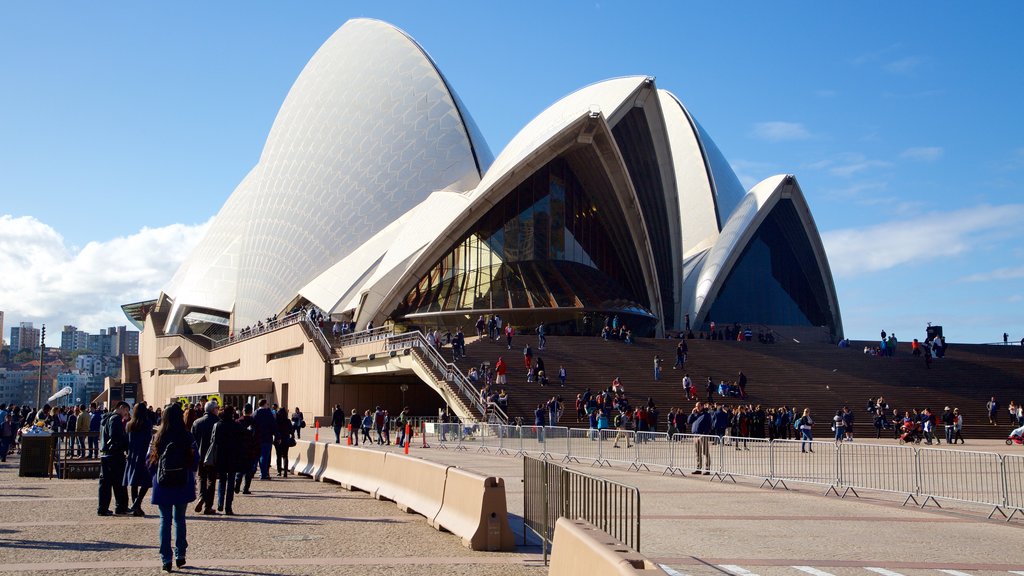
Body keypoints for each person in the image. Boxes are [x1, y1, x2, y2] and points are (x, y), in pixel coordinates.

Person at [148, 402, 198, 572]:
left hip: (163, 483)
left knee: (165, 520)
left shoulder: (158, 436)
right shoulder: (187, 436)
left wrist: (155, 475)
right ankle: (180, 554)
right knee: (180, 519)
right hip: (182, 481)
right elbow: (195, 460)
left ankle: (166, 558)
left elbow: (150, 461)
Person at [98, 401, 131, 516]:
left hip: (105, 454)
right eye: (126, 410)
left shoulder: (106, 418)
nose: (127, 413)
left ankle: (103, 507)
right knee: (119, 482)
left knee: (106, 483)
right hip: (114, 455)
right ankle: (120, 506)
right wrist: (124, 444)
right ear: (121, 408)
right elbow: (115, 437)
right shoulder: (116, 419)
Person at [124, 403, 154, 516]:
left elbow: (127, 441)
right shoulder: (147, 424)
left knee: (134, 481)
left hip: (132, 455)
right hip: (143, 454)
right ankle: (137, 503)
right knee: (146, 481)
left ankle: (136, 505)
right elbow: (148, 440)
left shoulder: (129, 425)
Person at [212, 406, 242, 514]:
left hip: (221, 456)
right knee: (230, 482)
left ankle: (220, 503)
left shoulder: (218, 425)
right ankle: (228, 507)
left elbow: (213, 441)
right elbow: (241, 442)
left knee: (222, 480)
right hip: (233, 457)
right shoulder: (236, 426)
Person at [191, 401, 219, 514]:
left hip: (200, 455)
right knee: (211, 480)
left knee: (201, 478)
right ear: (213, 410)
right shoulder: (217, 422)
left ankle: (201, 496)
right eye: (217, 408)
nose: (218, 409)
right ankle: (208, 506)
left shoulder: (197, 422)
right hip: (213, 455)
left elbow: (192, 440)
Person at [234, 404, 258, 495]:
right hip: (251, 449)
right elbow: (257, 436)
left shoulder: (238, 421)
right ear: (251, 411)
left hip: (240, 449)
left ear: (243, 411)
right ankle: (246, 488)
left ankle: (237, 485)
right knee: (249, 471)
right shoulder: (254, 422)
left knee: (239, 469)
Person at [253, 399, 276, 479]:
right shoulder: (268, 413)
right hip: (267, 438)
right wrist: (277, 435)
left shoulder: (255, 413)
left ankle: (252, 471)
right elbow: (273, 425)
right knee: (264, 457)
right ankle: (264, 474)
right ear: (264, 404)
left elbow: (252, 425)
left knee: (256, 456)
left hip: (257, 438)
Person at [687, 402, 712, 475]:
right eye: (696, 406)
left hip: (702, 435)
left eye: (698, 406)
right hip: (695, 435)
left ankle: (707, 469)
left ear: (702, 406)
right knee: (697, 453)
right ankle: (698, 468)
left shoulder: (706, 414)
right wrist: (692, 413)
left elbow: (709, 425)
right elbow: (689, 421)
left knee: (705, 452)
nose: (697, 407)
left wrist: (704, 434)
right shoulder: (695, 414)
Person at [275, 407, 295, 477]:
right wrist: (292, 436)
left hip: (278, 440)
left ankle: (279, 471)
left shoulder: (276, 421)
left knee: (278, 456)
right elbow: (291, 431)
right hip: (286, 439)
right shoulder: (288, 421)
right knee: (285, 456)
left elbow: (274, 431)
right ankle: (285, 472)